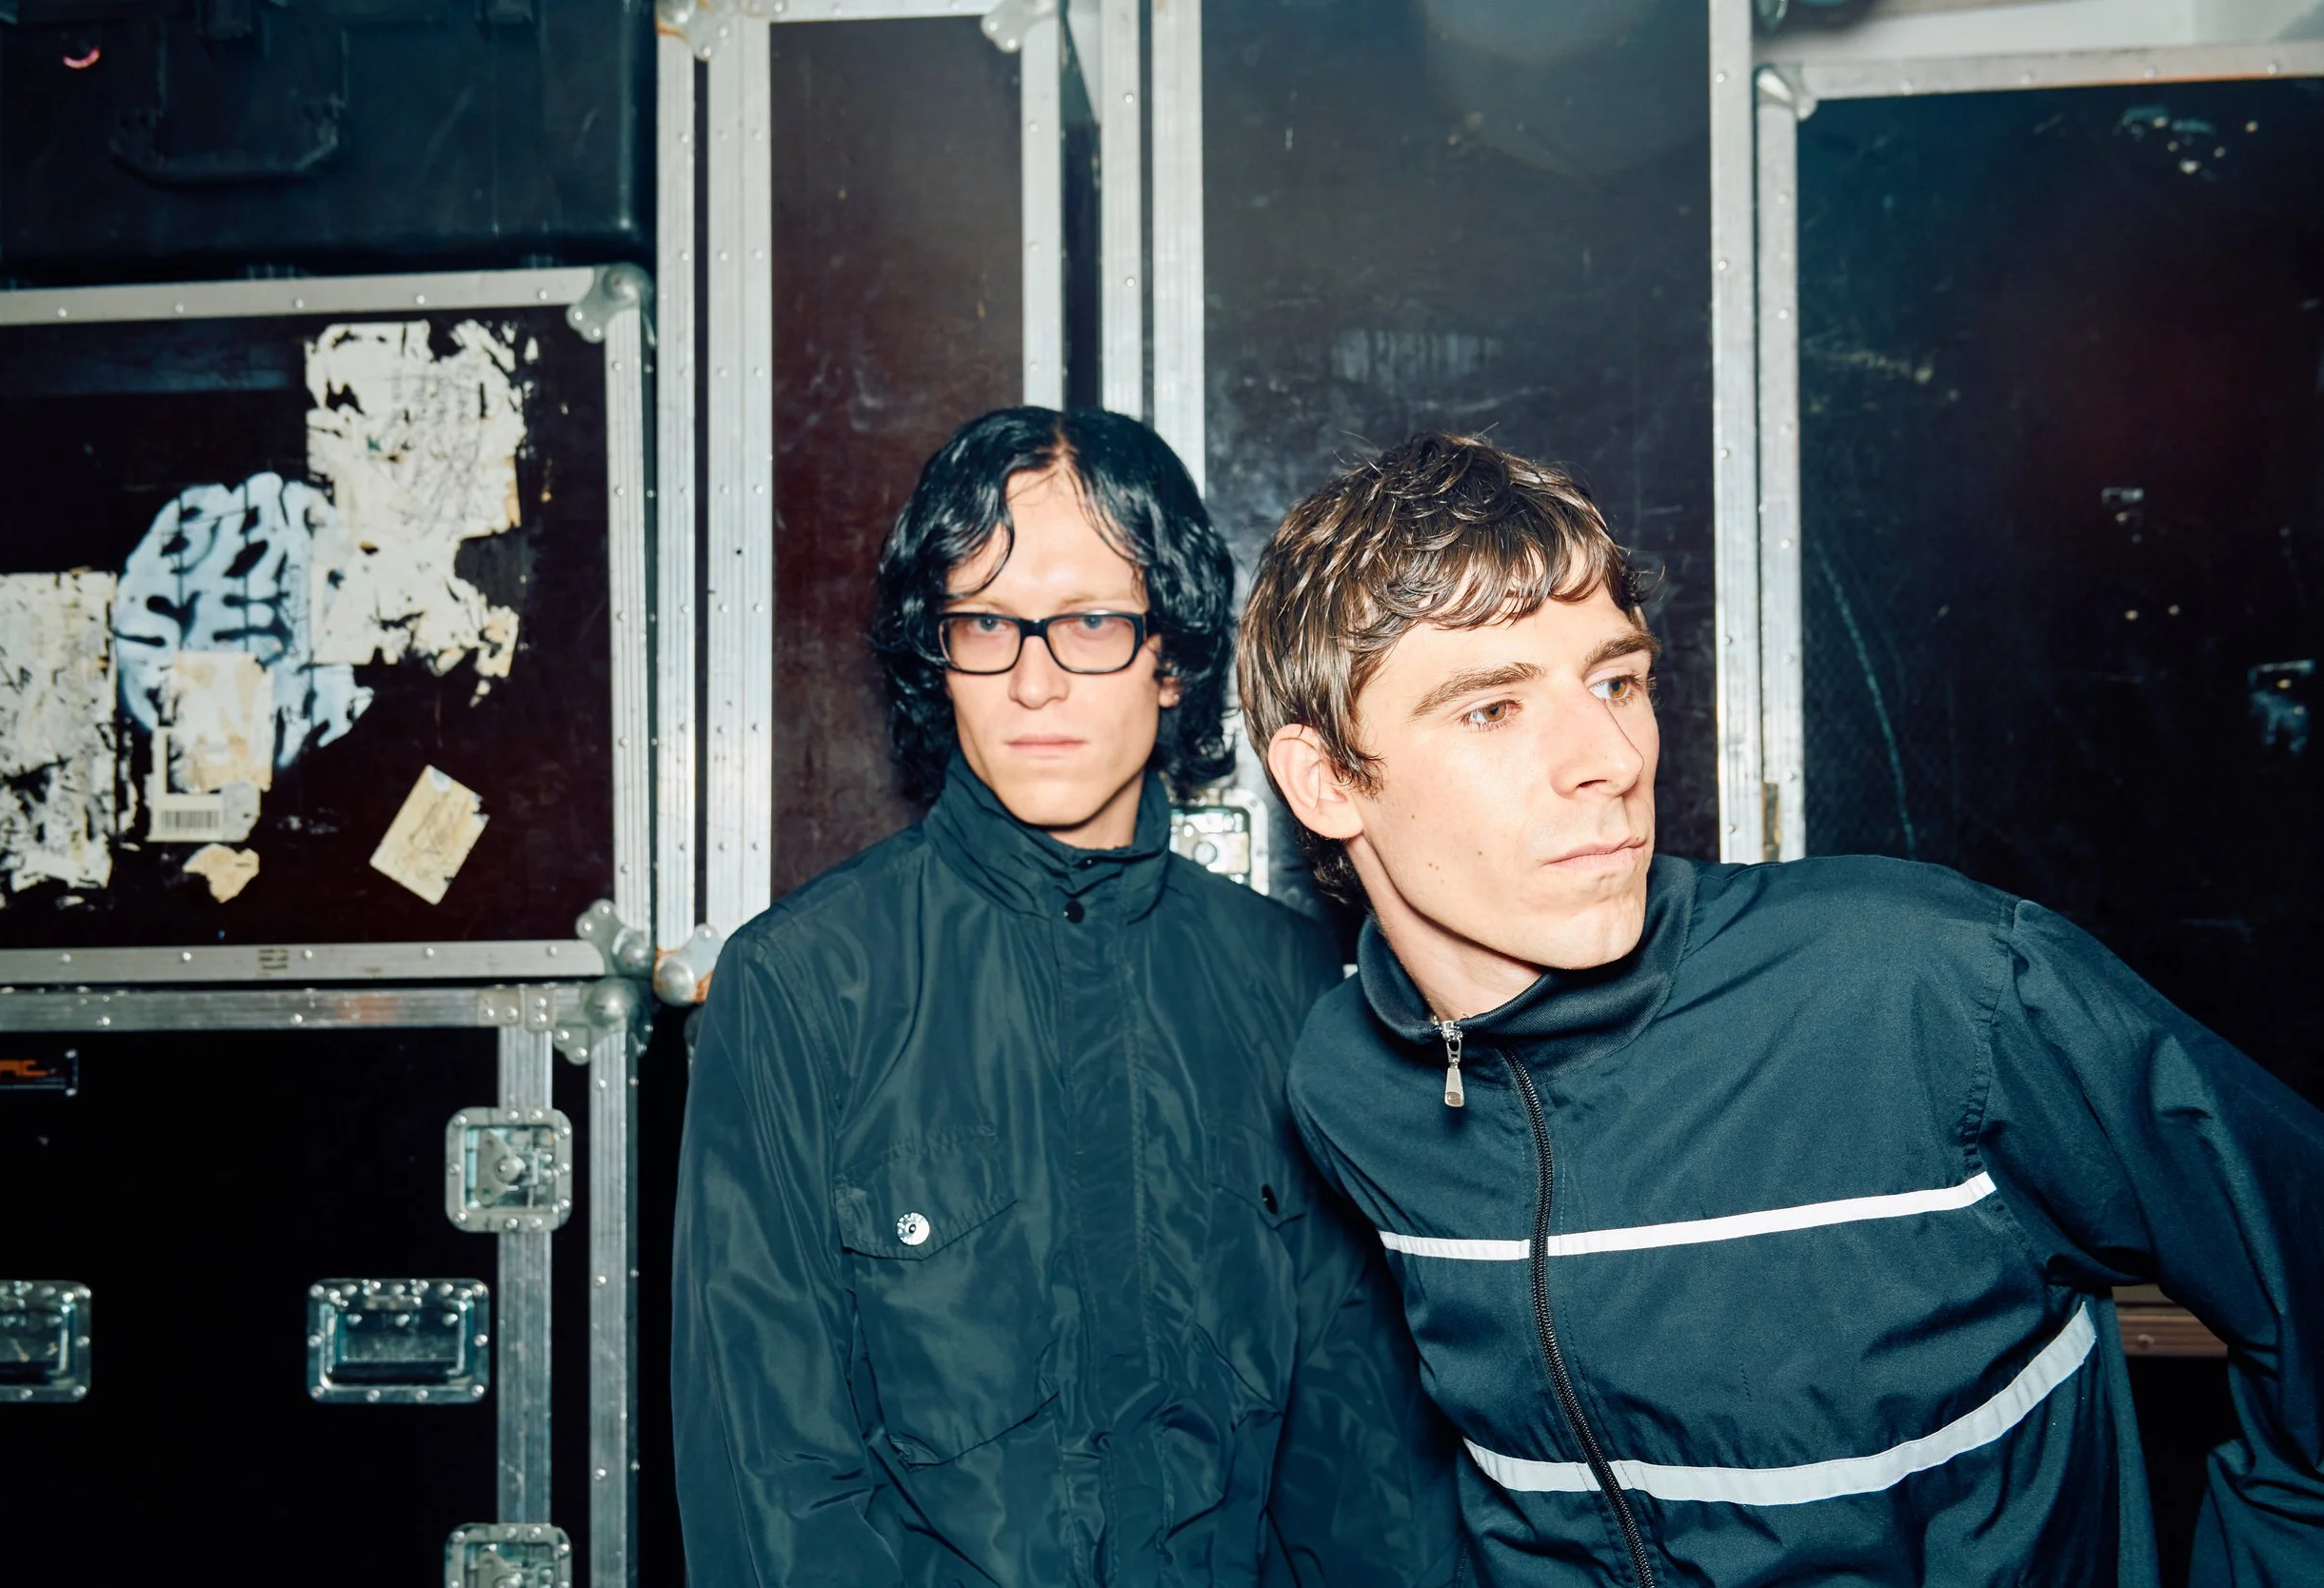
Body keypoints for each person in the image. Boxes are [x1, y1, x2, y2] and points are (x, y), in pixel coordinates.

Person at [1236, 431, 2324, 1586]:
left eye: (1615, 680)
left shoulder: (1928, 986)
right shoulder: (1346, 1085)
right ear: (1327, 781)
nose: (1607, 755)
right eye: (1491, 711)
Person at [671, 407, 1460, 1588]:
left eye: (1090, 621)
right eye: (986, 624)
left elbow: (1361, 1475)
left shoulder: (1294, 987)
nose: (1034, 681)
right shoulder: (802, 986)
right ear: (937, 655)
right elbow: (769, 1483)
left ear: (1172, 656)